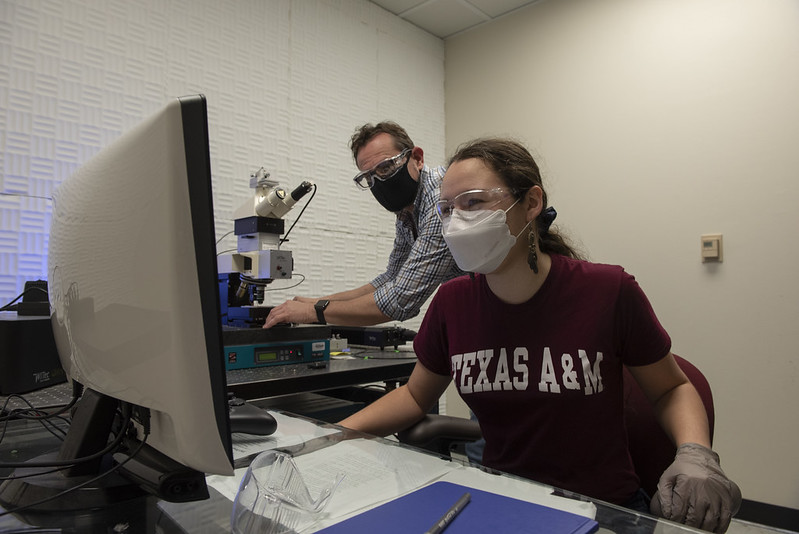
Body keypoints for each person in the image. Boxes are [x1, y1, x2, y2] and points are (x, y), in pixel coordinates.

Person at [338, 138, 741, 532]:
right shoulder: (452, 303)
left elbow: (671, 388)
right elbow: (413, 396)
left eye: (474, 202)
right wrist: (330, 437)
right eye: (446, 209)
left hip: (602, 510)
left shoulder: (607, 291)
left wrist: (695, 453)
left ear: (531, 203)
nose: (457, 221)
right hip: (503, 502)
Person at [263, 122, 463, 328]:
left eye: (385, 167)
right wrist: (319, 302)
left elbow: (400, 300)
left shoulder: (441, 197)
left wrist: (312, 312)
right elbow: (391, 277)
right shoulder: (407, 212)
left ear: (417, 158)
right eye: (369, 177)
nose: (380, 182)